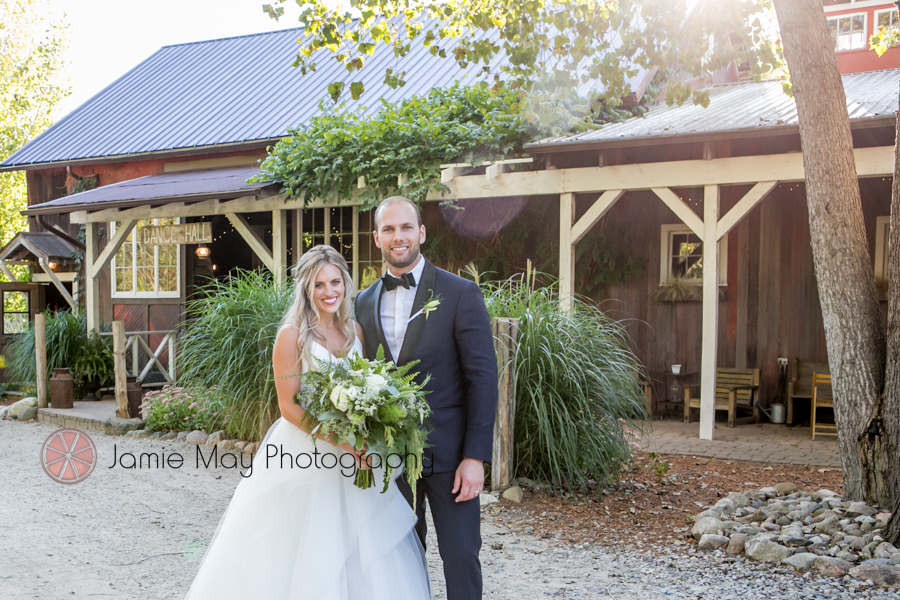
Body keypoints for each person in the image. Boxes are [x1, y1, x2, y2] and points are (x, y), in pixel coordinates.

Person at [184, 245, 432, 600]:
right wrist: (345, 443)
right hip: (309, 453)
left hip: (356, 453)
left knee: (362, 549)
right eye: (319, 285)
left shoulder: (355, 332)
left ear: (345, 283)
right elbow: (289, 407)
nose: (329, 292)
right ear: (305, 289)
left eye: (335, 282)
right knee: (311, 546)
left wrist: (369, 429)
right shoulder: (292, 335)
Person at [355, 197, 498, 600]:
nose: (397, 237)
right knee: (401, 560)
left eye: (405, 228)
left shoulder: (460, 293)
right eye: (388, 229)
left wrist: (475, 457)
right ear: (377, 238)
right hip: (391, 458)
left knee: (461, 555)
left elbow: (483, 379)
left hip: (451, 457)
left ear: (421, 233)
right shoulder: (363, 302)